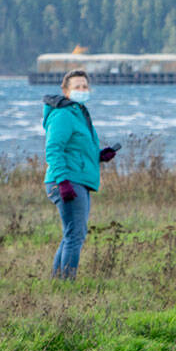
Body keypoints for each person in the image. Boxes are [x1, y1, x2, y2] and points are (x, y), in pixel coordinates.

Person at [42, 69, 117, 279]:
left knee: (72, 234)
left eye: (84, 86)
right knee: (75, 235)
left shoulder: (79, 112)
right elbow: (54, 149)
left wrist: (99, 155)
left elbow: (75, 149)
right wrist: (63, 181)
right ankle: (66, 283)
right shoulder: (63, 115)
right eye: (77, 87)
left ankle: (58, 281)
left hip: (77, 179)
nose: (82, 90)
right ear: (66, 91)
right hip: (67, 180)